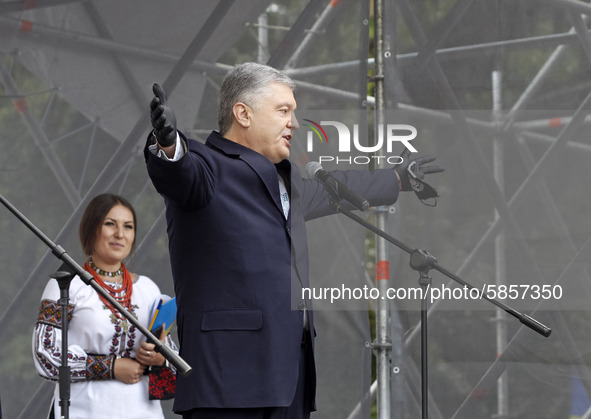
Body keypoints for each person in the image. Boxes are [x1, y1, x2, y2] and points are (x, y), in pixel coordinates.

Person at [145, 62, 443, 418]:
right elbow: (180, 173)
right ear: (243, 113)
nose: (295, 124)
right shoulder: (206, 165)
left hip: (289, 381)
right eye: (283, 111)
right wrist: (167, 144)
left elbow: (344, 187)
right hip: (228, 383)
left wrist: (397, 178)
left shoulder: (287, 182)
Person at [32, 193, 178, 419]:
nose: (120, 234)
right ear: (92, 229)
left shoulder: (148, 289)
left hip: (143, 412)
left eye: (128, 227)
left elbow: (174, 361)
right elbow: (45, 355)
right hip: (83, 410)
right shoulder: (66, 284)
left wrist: (160, 359)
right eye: (110, 224)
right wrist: (110, 367)